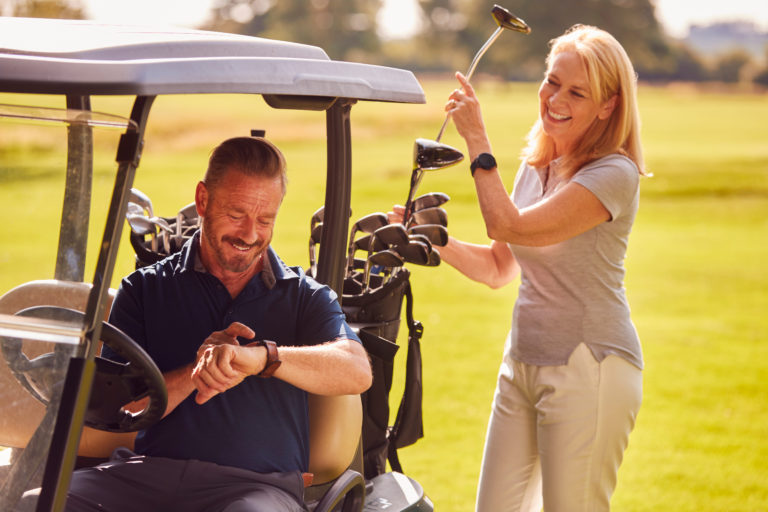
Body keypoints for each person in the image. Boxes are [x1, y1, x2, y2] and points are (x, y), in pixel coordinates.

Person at [394, 25, 644, 511]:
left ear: (608, 105)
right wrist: (432, 238)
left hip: (589, 369)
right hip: (522, 364)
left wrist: (476, 138)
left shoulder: (613, 174)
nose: (556, 98)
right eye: (552, 82)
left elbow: (508, 224)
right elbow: (497, 267)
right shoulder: (537, 164)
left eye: (577, 92)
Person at [64, 137, 372, 512]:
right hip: (146, 478)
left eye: (265, 220)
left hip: (255, 489)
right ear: (203, 200)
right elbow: (120, 412)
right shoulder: (145, 289)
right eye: (236, 214)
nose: (250, 234)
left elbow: (357, 371)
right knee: (36, 501)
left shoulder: (305, 296)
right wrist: (198, 370)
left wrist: (261, 359)